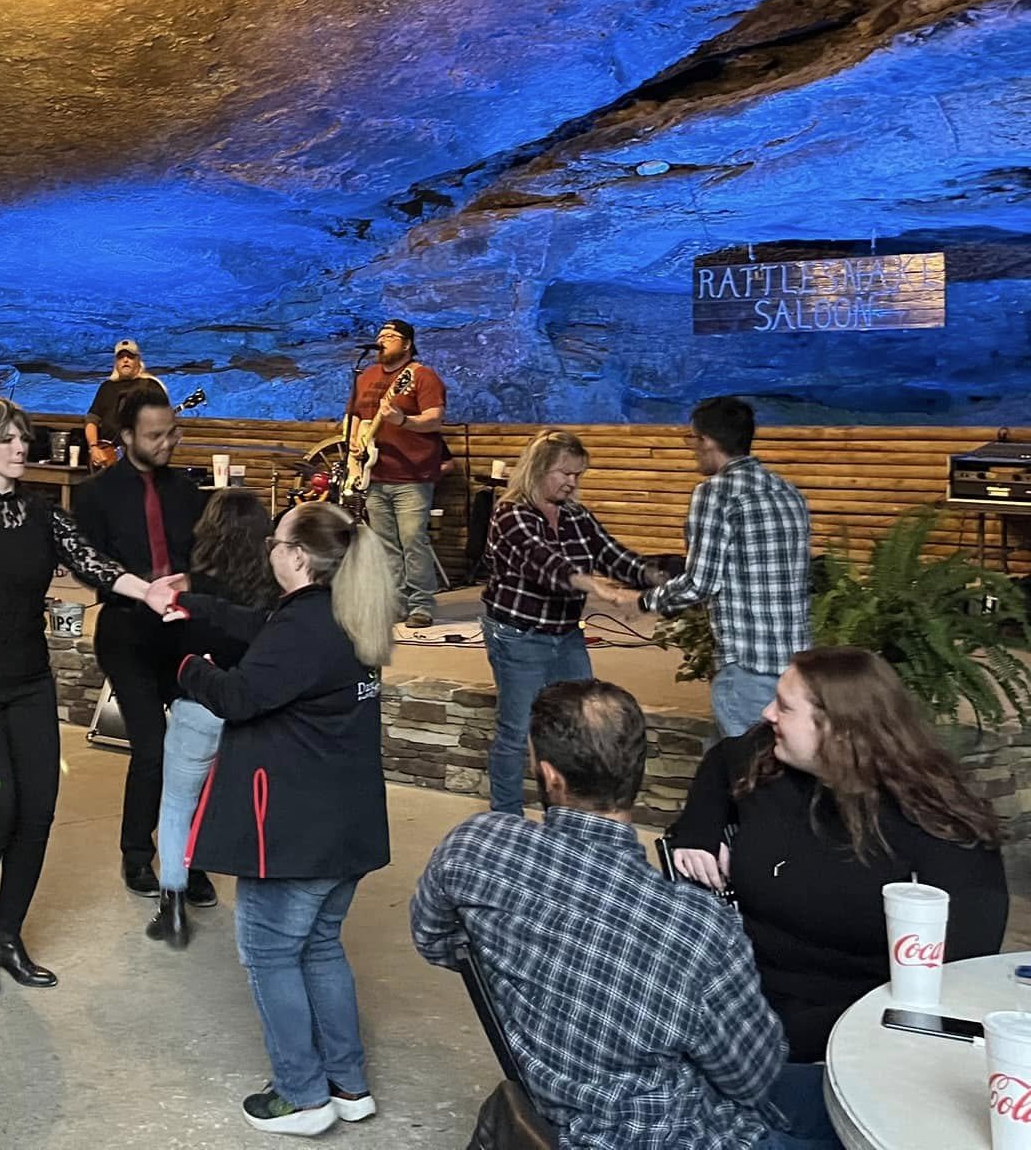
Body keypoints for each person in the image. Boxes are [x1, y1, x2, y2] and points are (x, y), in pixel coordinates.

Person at [412, 679, 835, 1150]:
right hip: (688, 1134)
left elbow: (434, 939)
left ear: (550, 775)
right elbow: (751, 1077)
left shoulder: (477, 847)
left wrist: (528, 969)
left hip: (555, 1108)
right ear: (637, 768)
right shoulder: (695, 928)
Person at [0, 398, 152, 996]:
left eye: (23, 438)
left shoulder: (43, 516)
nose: (21, 448)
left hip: (27, 682)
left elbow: (95, 564)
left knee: (37, 811)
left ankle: (6, 933)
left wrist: (149, 592)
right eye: (8, 439)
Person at [164, 500, 393, 1135]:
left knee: (269, 952)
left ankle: (302, 1095)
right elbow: (265, 626)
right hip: (345, 824)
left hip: (296, 829)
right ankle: (347, 1085)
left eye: (276, 541)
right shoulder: (344, 614)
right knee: (319, 947)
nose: (269, 550)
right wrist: (198, 604)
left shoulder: (306, 630)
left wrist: (188, 668)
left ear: (296, 556)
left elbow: (241, 697)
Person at [669, 648, 1007, 1066]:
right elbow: (722, 760)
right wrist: (698, 829)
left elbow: (960, 974)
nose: (767, 713)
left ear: (840, 733)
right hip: (744, 996)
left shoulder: (938, 825)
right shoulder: (771, 760)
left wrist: (784, 1040)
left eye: (785, 707)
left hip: (858, 1029)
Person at [73, 383, 208, 901]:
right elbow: (92, 570)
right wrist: (142, 588)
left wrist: (190, 584)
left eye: (172, 432)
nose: (167, 442)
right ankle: (137, 852)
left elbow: (206, 558)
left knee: (195, 748)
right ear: (126, 436)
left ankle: (192, 856)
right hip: (127, 632)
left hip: (185, 632)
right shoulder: (96, 495)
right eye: (155, 435)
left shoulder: (187, 492)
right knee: (151, 746)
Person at [481, 429, 663, 814]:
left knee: (578, 723)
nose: (572, 482)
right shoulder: (510, 513)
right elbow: (547, 566)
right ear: (539, 470)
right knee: (517, 732)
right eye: (565, 473)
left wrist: (659, 579)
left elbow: (614, 555)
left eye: (578, 475)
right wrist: (604, 591)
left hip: (564, 634)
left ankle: (565, 812)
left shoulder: (577, 516)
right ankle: (505, 818)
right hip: (519, 635)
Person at [144, 486, 276, 947]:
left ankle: (173, 904)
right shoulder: (273, 589)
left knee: (178, 802)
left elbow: (169, 648)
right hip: (252, 711)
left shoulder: (192, 583)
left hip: (198, 706)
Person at [641, 397, 812, 737]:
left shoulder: (716, 493)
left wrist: (644, 601)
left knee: (745, 775)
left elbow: (700, 583)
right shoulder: (787, 491)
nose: (693, 449)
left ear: (706, 441)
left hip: (747, 667)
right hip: (797, 667)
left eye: (693, 440)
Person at [345, 319, 447, 628]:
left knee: (413, 540)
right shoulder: (366, 376)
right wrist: (352, 441)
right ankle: (395, 602)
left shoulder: (421, 376)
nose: (382, 339)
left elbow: (434, 419)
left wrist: (403, 421)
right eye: (380, 335)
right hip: (374, 474)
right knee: (385, 544)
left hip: (412, 475)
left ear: (407, 344)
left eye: (390, 336)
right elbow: (354, 414)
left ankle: (421, 605)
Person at [82, 339, 156, 467]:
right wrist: (93, 447)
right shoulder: (106, 387)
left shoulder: (150, 386)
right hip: (108, 457)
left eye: (130, 357)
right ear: (116, 362)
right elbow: (92, 420)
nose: (125, 360)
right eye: (121, 357)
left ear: (138, 360)